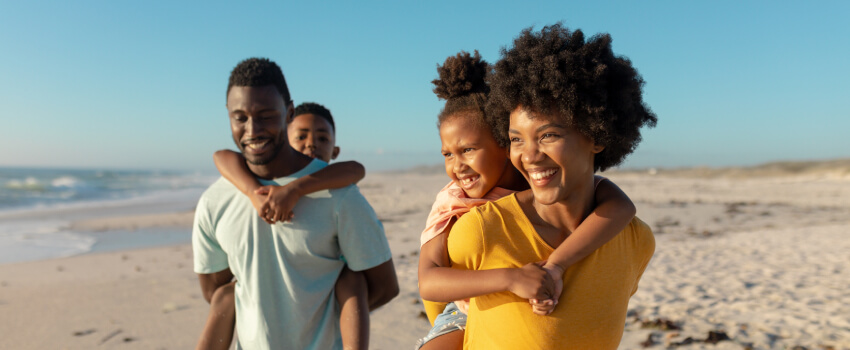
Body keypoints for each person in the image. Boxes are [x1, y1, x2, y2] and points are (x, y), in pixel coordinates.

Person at [440, 24, 658, 349]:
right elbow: (438, 307)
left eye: (548, 135)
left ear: (596, 135)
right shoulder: (480, 231)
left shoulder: (635, 240)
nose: (530, 156)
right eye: (516, 139)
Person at [192, 57, 398, 350]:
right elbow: (217, 293)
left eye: (266, 116)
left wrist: (330, 316)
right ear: (228, 115)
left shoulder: (338, 195)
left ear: (288, 113)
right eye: (240, 118)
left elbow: (384, 286)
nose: (252, 130)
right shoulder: (215, 201)